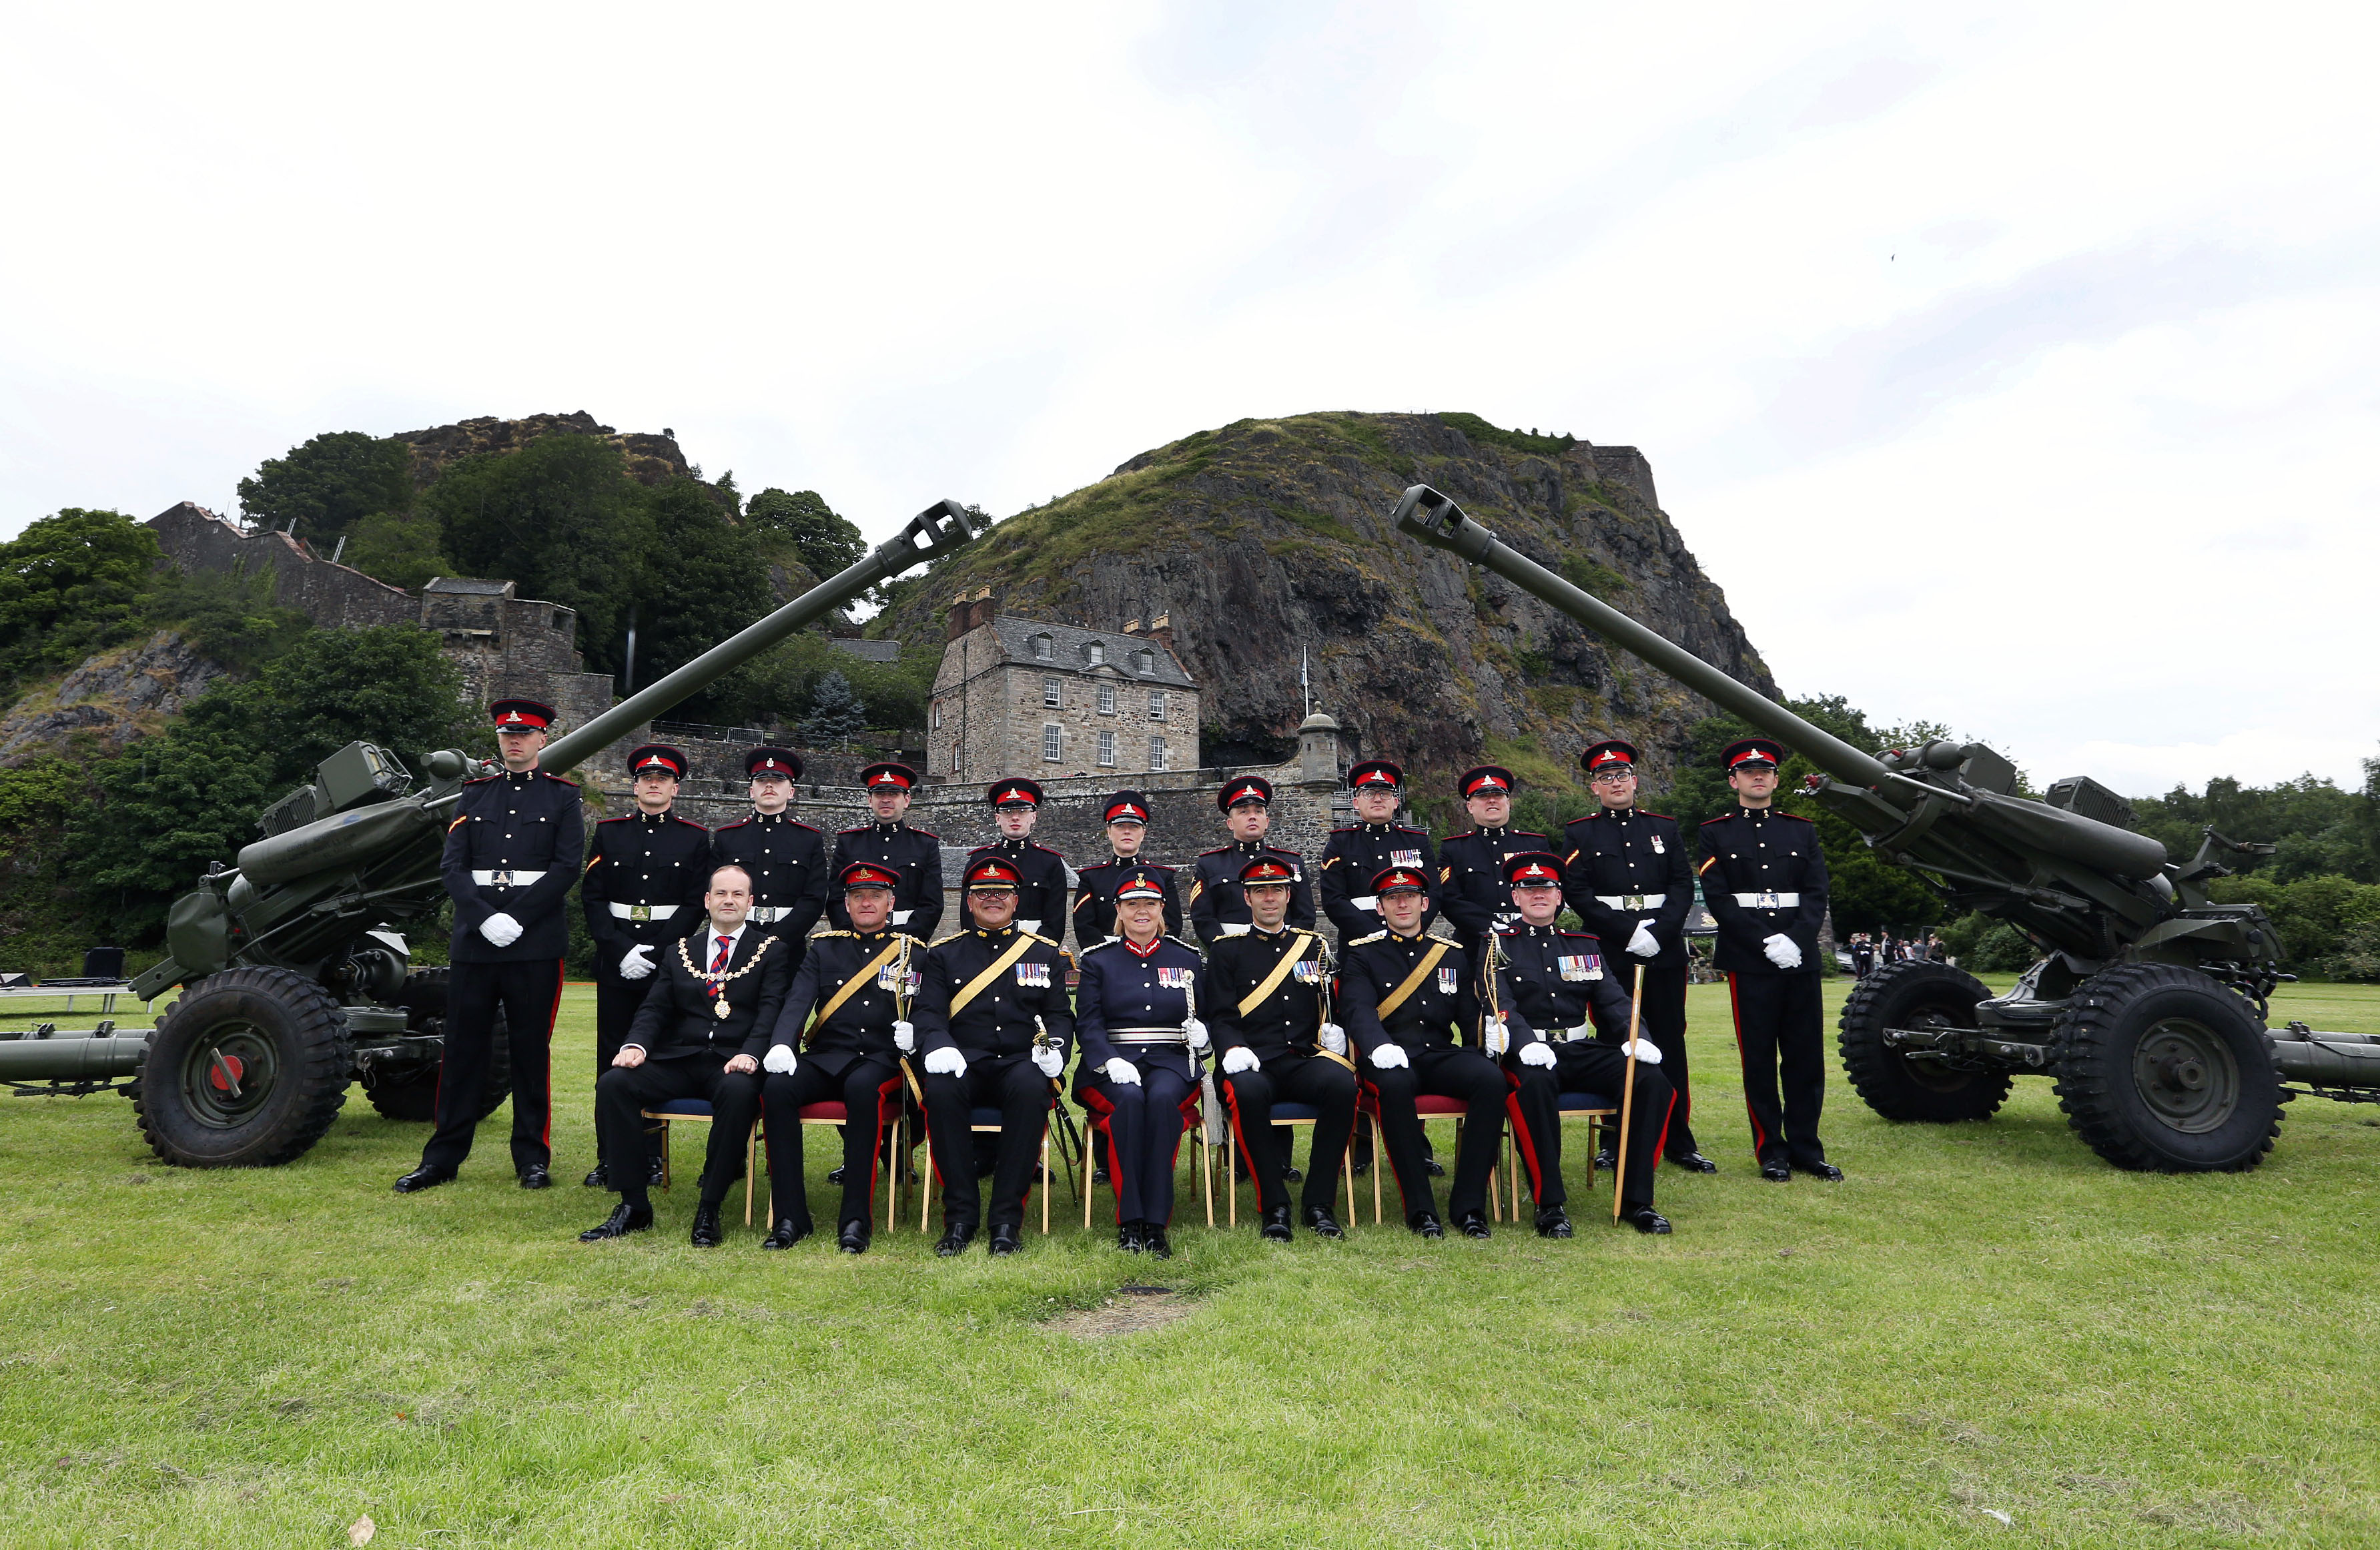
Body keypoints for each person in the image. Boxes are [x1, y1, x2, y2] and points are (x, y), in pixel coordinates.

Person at [397, 699, 583, 1195]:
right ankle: (441, 1159)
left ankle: (531, 1158)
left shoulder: (563, 797)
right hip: (476, 945)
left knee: (529, 1053)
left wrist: (516, 917)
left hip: (534, 945)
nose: (515, 740)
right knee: (460, 1052)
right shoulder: (474, 794)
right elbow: (452, 867)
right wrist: (485, 918)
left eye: (525, 733)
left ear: (543, 739)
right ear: (499, 740)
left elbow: (566, 868)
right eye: (507, 734)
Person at [578, 864, 791, 1245]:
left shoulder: (771, 951)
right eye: (721, 894)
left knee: (740, 1093)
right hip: (681, 1059)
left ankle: (709, 1207)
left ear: (750, 903)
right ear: (707, 901)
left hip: (734, 1061)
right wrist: (635, 1045)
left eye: (738, 894)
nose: (729, 900)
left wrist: (751, 1055)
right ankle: (633, 1205)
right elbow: (655, 1007)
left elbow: (771, 1011)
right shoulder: (679, 950)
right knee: (614, 1085)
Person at [1491, 852, 1675, 1234]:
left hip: (1579, 1049)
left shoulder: (1584, 945)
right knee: (1535, 1086)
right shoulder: (1499, 946)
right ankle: (1550, 1204)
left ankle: (1636, 1200)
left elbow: (1614, 1001)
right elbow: (1498, 1001)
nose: (1538, 894)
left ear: (1560, 897)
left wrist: (1637, 1037)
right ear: (1515, 897)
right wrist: (1524, 1042)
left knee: (1651, 1080)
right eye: (1528, 889)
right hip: (1528, 1053)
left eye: (1547, 888)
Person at [1560, 739, 1715, 1174]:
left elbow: (1682, 884)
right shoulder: (1580, 832)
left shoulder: (1662, 827)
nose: (1615, 782)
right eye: (1605, 777)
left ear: (1635, 780)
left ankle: (1678, 1140)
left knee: (1668, 1042)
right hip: (1610, 953)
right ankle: (1614, 1138)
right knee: (1615, 1042)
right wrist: (1628, 931)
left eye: (1621, 775)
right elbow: (1577, 892)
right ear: (1594, 787)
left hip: (1662, 952)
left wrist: (1659, 931)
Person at [910, 854, 1076, 1256]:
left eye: (1001, 893)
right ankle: (960, 1219)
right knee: (942, 1092)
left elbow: (1058, 1014)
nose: (992, 899)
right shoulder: (944, 954)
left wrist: (1056, 1048)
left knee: (1031, 1088)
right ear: (968, 902)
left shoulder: (1045, 954)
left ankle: (1006, 1221)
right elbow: (928, 1011)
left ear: (1016, 900)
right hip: (963, 1059)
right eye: (983, 893)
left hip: (1021, 1060)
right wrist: (938, 1045)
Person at [757, 862, 926, 1252]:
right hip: (827, 1055)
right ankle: (789, 1217)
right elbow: (798, 1000)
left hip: (881, 1060)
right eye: (858, 897)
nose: (867, 903)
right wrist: (783, 1042)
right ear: (846, 904)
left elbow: (928, 1007)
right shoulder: (824, 948)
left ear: (891, 903)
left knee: (863, 1089)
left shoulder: (911, 952)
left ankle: (855, 1220)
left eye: (876, 896)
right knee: (777, 1089)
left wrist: (914, 1037)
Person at [1337, 865, 1507, 1238]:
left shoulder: (1450, 954)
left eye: (1410, 897)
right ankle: (1421, 1209)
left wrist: (1487, 1035)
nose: (1402, 904)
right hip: (1390, 1057)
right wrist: (1378, 1045)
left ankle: (1469, 1206)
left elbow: (1467, 1012)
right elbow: (1357, 1009)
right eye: (1392, 899)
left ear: (1425, 903)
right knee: (1396, 1087)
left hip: (1438, 1054)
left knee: (1491, 1081)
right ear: (1380, 908)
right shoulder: (1362, 955)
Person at [1699, 737, 1840, 1183]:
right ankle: (1770, 1150)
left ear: (1776, 779)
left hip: (1799, 958)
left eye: (1765, 770)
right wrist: (1765, 941)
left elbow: (1816, 892)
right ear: (1733, 780)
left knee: (1804, 1058)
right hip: (1750, 959)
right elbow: (1719, 899)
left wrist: (1795, 939)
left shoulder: (1802, 830)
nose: (1757, 775)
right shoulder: (1715, 832)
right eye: (1747, 770)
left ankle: (1806, 1148)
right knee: (1757, 1059)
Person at [578, 743, 711, 1190]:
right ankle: (610, 1157)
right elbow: (593, 896)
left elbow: (695, 903)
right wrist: (619, 950)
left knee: (656, 1057)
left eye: (663, 778)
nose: (654, 783)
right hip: (617, 961)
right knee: (611, 1061)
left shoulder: (694, 838)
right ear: (635, 785)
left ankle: (652, 1158)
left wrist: (654, 951)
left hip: (665, 962)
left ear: (675, 786)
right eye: (646, 777)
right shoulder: (609, 831)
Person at [1206, 855, 1356, 1241]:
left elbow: (1327, 1004)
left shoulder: (1313, 946)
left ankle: (1319, 1203)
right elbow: (1219, 1014)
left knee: (1342, 1086)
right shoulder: (1226, 951)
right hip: (1252, 1060)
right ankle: (1274, 1205)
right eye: (1260, 892)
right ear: (1247, 898)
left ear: (1289, 896)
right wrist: (1232, 1048)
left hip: (1302, 1057)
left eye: (1277, 890)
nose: (1269, 898)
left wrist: (1333, 1030)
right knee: (1249, 1094)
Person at [1074, 866, 1210, 1258]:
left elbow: (1209, 1013)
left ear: (1162, 908)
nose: (1141, 911)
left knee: (1164, 1102)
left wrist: (1205, 1037)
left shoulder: (1186, 958)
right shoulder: (1099, 961)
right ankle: (1131, 1220)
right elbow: (1088, 1021)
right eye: (1132, 904)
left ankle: (1156, 1223)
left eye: (1149, 903)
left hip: (1172, 1061)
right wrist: (1109, 1061)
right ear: (1118, 910)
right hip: (1114, 1064)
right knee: (1130, 1103)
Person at [709, 747, 830, 963]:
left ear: (791, 791)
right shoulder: (727, 838)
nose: (770, 786)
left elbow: (813, 899)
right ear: (751, 790)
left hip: (788, 949)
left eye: (778, 780)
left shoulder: (808, 840)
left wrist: (776, 940)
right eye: (762, 780)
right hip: (734, 943)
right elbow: (711, 892)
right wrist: (740, 936)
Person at [1436, 765, 1554, 974]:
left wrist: (1529, 923)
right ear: (1470, 807)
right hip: (1474, 946)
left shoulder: (1534, 846)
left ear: (1508, 803)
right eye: (1482, 796)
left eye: (1498, 795)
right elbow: (1449, 899)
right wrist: (1490, 925)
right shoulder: (1454, 849)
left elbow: (1553, 891)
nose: (1491, 800)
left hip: (1531, 940)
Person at [1318, 760, 1439, 943]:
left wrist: (1412, 931)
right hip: (1357, 944)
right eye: (1369, 793)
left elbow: (1434, 892)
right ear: (1356, 803)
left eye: (1384, 793)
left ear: (1396, 802)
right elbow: (1333, 899)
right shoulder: (1341, 843)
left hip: (1411, 941)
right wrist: (1374, 934)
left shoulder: (1417, 841)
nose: (1377, 799)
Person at [1188, 777, 1315, 947]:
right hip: (1231, 951)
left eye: (1258, 811)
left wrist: (1289, 950)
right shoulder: (1210, 864)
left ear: (1267, 822)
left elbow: (1305, 916)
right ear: (1230, 823)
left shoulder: (1292, 862)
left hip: (1284, 951)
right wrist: (1224, 951)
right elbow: (1203, 918)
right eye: (1244, 812)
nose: (1252, 817)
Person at [828, 762, 943, 939]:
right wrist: (851, 938)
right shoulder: (849, 843)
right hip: (854, 943)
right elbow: (836, 899)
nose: (886, 799)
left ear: (906, 801)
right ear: (870, 800)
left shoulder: (925, 845)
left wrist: (907, 940)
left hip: (907, 940)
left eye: (894, 794)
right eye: (880, 794)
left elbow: (932, 904)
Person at [1072, 790, 1184, 948]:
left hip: (1153, 956)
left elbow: (1173, 926)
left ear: (1143, 833)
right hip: (1105, 959)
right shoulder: (1092, 878)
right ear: (1109, 832)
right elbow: (1084, 928)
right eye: (1120, 826)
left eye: (1134, 826)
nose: (1127, 832)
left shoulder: (1163, 876)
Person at [967, 779, 1069, 937]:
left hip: (1036, 946)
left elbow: (1055, 922)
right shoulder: (979, 861)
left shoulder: (1050, 863)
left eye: (1022, 812)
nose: (1015, 818)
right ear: (998, 818)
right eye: (1008, 812)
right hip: (987, 945)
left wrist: (1037, 950)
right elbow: (968, 917)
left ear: (1034, 817)